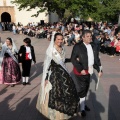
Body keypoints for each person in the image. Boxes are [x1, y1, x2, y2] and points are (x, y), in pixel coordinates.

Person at [36, 33, 79, 120]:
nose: (60, 41)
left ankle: (64, 114)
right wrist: (46, 78)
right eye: (58, 39)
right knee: (55, 93)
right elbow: (47, 65)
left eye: (61, 39)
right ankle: (53, 115)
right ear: (54, 39)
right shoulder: (50, 50)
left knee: (68, 91)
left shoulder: (62, 48)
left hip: (63, 73)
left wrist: (72, 59)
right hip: (54, 74)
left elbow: (63, 61)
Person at [71, 30, 103, 117]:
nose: (90, 38)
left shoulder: (93, 46)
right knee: (81, 89)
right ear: (83, 37)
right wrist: (80, 69)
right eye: (88, 36)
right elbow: (73, 59)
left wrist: (99, 70)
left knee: (85, 88)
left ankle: (83, 104)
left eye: (90, 36)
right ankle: (81, 109)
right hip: (80, 71)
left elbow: (96, 59)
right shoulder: (78, 46)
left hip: (89, 70)